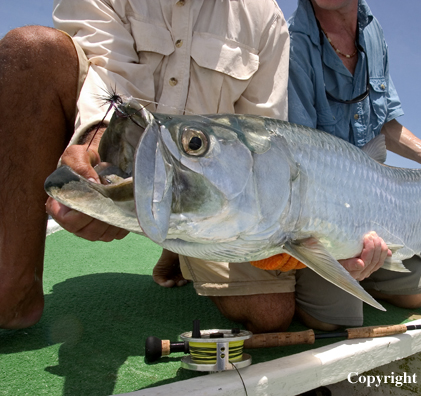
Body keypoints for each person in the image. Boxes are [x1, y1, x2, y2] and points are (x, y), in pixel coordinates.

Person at [0, 0, 292, 331]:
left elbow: (257, 138)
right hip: (107, 147)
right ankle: (14, 289)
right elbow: (111, 77)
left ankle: (178, 245)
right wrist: (99, 150)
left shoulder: (266, 16)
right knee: (32, 50)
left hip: (200, 195)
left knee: (269, 312)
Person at [285, 0, 421, 330]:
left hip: (372, 207)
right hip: (322, 218)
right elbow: (300, 150)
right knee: (337, 319)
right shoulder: (294, 42)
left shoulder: (372, 31)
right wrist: (339, 245)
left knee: (418, 292)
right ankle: (292, 282)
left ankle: (365, 269)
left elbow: (384, 124)